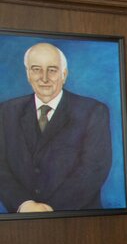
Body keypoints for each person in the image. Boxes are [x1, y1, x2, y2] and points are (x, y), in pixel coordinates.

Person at [0, 42, 112, 213]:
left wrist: (50, 209)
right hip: (21, 221)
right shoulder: (6, 112)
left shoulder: (93, 111)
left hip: (78, 221)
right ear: (28, 74)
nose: (44, 78)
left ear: (64, 74)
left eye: (52, 70)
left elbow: (93, 169)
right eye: (36, 69)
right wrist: (24, 204)